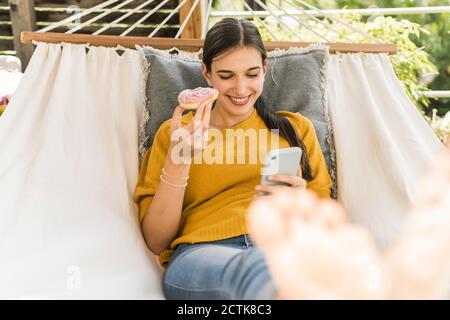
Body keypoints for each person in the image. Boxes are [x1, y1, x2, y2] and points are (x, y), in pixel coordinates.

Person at [133, 17, 332, 300]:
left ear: (265, 70)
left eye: (251, 74)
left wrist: (300, 205)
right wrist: (180, 160)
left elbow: (326, 228)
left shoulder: (295, 129)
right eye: (226, 76)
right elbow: (156, 240)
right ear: (207, 73)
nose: (240, 89)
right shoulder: (176, 134)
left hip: (280, 246)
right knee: (265, 271)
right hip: (204, 255)